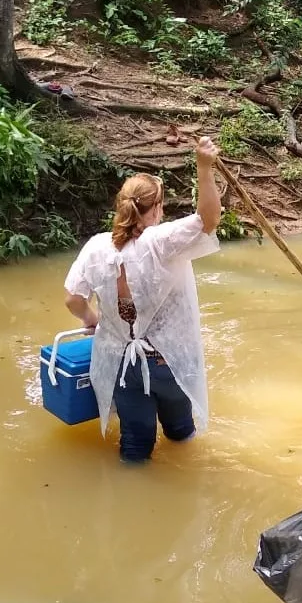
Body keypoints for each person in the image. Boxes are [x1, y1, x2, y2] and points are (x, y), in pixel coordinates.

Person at [64, 138, 222, 463]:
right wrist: (204, 169)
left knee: (134, 448)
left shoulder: (96, 247)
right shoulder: (161, 241)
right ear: (158, 207)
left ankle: (128, 503)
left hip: (121, 365)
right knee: (180, 434)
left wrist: (91, 320)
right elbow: (208, 218)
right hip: (168, 362)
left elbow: (72, 299)